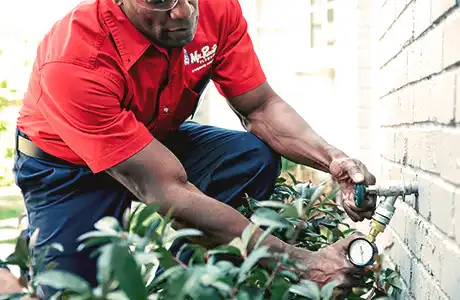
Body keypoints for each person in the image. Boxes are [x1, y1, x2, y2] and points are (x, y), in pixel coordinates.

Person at [5, 0, 377, 297]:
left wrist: (332, 158)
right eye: (158, 0)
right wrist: (298, 261)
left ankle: (189, 277)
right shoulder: (74, 59)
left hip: (151, 140)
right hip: (67, 169)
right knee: (75, 292)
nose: (183, 11)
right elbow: (167, 192)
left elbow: (260, 107)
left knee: (250, 157)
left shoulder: (215, 8)